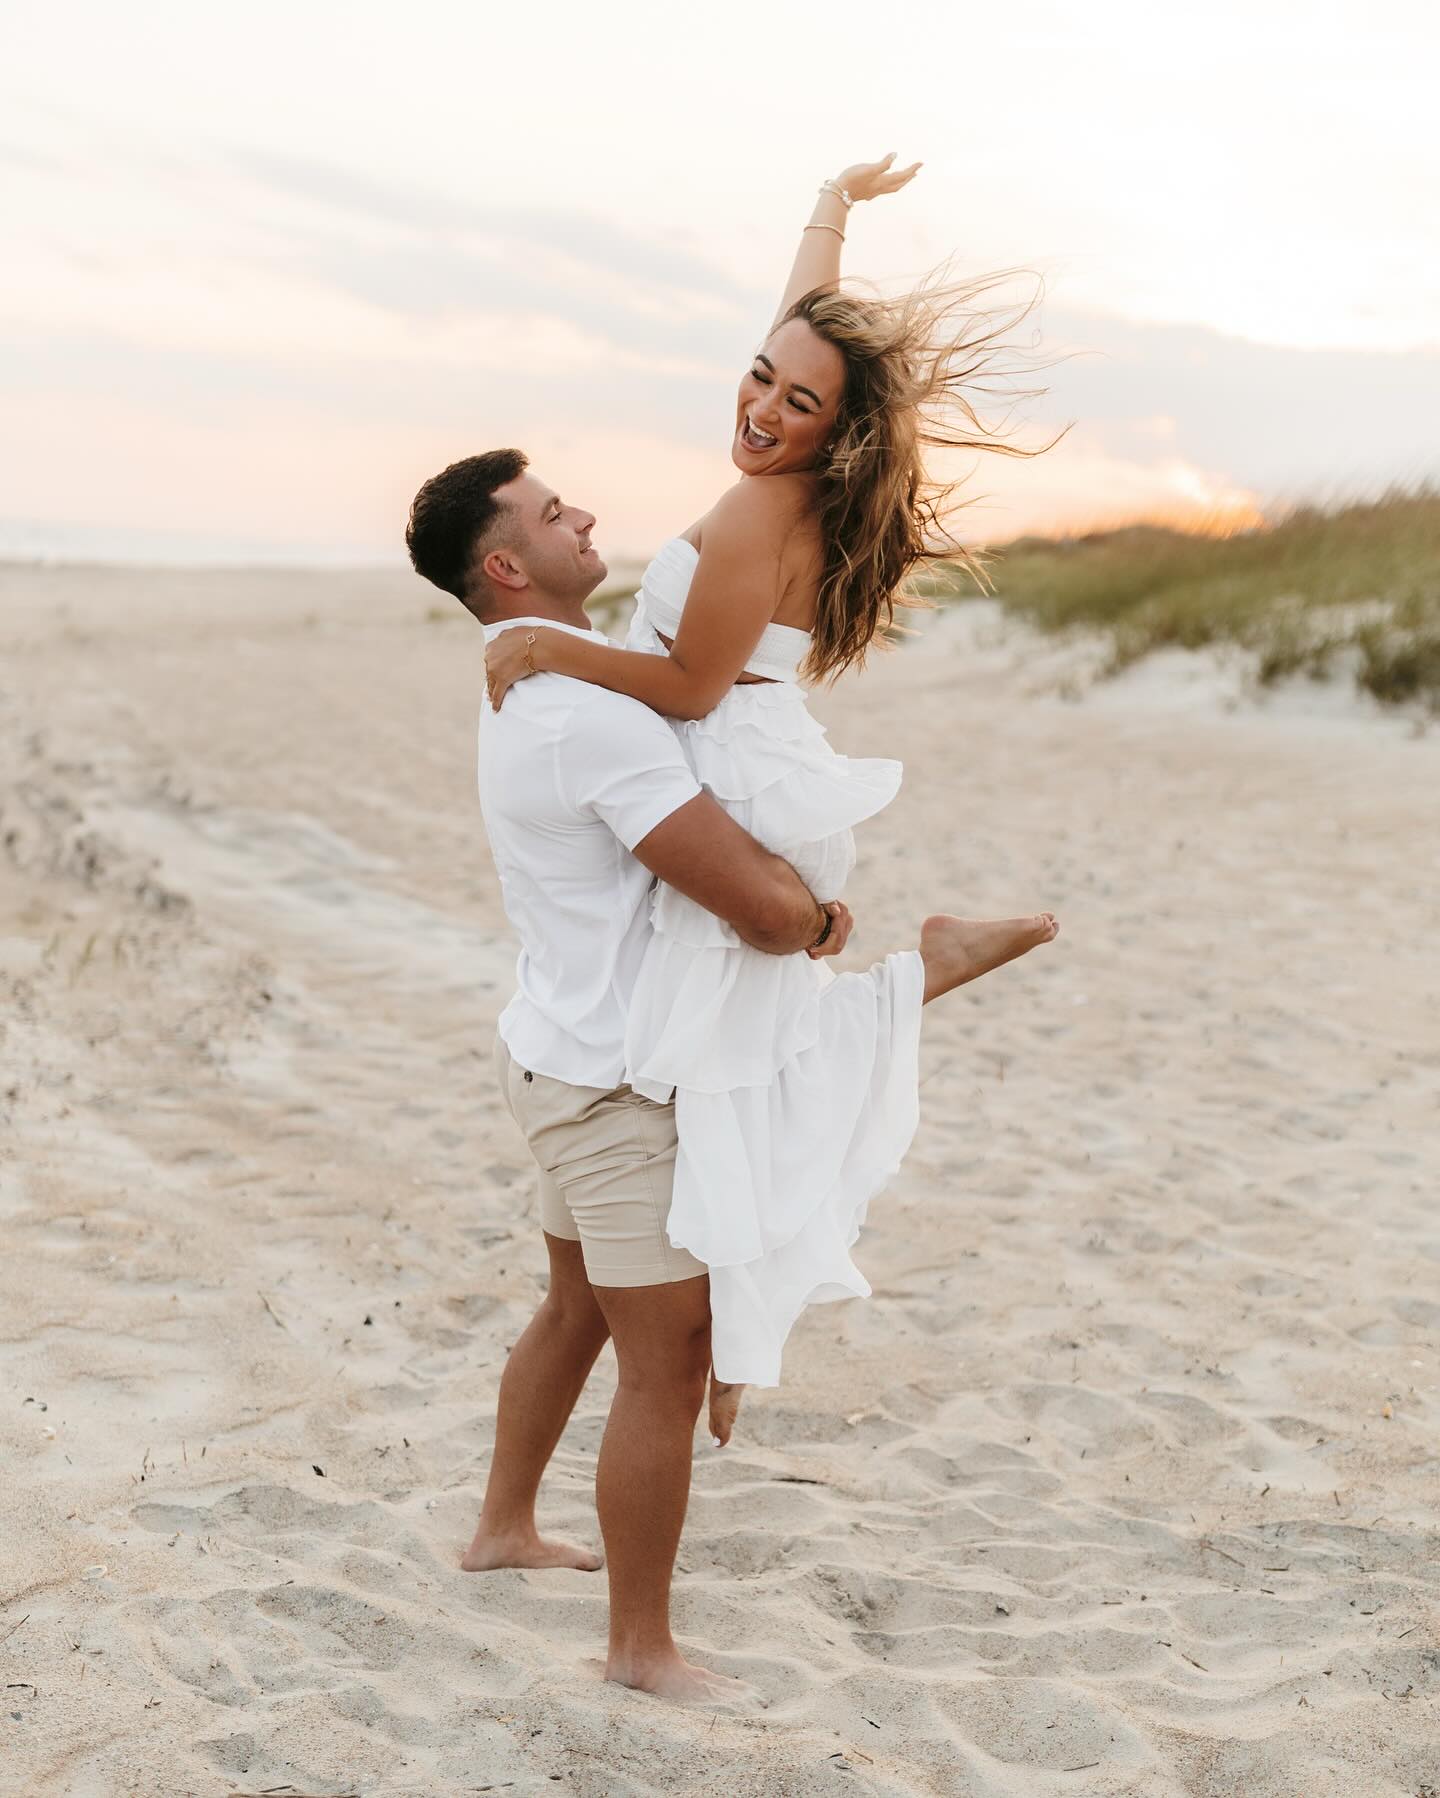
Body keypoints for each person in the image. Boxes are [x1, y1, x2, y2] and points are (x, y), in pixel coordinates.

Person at [404, 447, 1053, 1705]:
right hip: (610, 1093)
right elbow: (755, 911)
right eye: (551, 513)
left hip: (555, 1052)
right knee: (670, 1357)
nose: (582, 513)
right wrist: (814, 921)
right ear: (505, 564)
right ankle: (640, 1649)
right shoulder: (586, 719)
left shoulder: (543, 692)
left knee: (575, 1310)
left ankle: (501, 1528)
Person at [483, 155, 1061, 1402]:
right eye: (759, 376)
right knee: (739, 1059)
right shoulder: (784, 480)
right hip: (765, 777)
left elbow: (689, 688)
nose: (762, 406)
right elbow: (799, 333)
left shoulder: (759, 514)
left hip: (736, 776)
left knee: (715, 1074)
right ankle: (921, 982)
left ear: (833, 429)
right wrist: (831, 213)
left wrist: (553, 647)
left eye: (798, 401)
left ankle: (737, 1330)